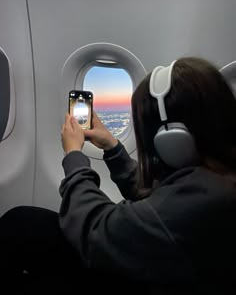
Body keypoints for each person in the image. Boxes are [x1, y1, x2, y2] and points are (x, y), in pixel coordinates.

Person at [0, 57, 236, 294]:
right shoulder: (214, 178)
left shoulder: (205, 197)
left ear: (172, 140)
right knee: (22, 223)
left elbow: (95, 229)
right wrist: (113, 147)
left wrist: (73, 154)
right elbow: (151, 197)